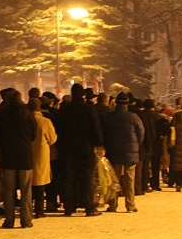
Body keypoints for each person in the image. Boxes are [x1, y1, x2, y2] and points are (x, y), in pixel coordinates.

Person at [54, 83, 103, 216]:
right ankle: (89, 206)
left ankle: (69, 207)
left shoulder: (64, 110)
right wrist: (99, 144)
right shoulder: (88, 109)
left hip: (68, 148)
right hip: (85, 148)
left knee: (69, 178)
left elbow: (58, 129)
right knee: (87, 177)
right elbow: (95, 128)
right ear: (83, 95)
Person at [0, 90, 38, 228]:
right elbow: (33, 135)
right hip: (25, 155)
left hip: (8, 156)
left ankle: (9, 219)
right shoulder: (27, 114)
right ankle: (26, 219)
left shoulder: (3, 115)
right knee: (26, 190)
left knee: (8, 190)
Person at [102, 92, 145, 211]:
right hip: (130, 151)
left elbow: (105, 133)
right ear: (127, 103)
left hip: (114, 150)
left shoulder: (109, 116)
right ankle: (130, 204)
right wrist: (136, 144)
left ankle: (113, 204)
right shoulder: (133, 117)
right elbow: (141, 133)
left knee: (114, 179)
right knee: (129, 178)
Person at [29, 98, 57, 219]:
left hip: (27, 155)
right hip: (41, 154)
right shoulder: (45, 121)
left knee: (28, 184)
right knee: (40, 183)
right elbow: (52, 139)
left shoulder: (25, 120)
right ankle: (39, 210)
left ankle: (28, 208)